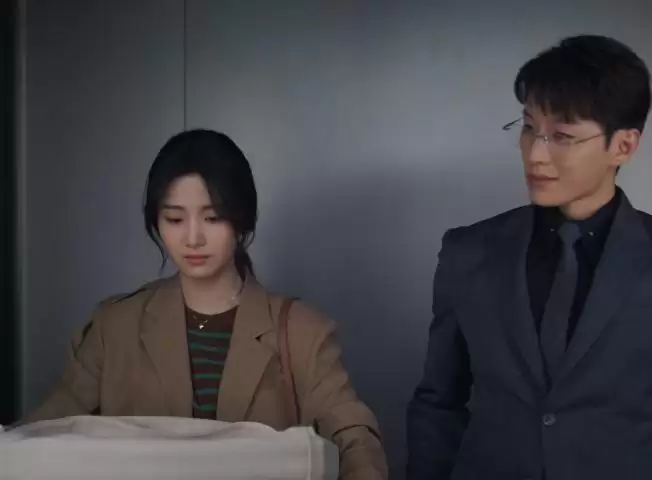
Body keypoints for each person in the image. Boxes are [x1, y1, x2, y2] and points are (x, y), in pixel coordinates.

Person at [24, 129, 388, 479]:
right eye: (175, 219)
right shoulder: (114, 327)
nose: (193, 238)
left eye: (213, 218)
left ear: (242, 220)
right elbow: (39, 438)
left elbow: (355, 438)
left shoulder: (303, 334)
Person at [407, 35, 652, 480]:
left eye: (562, 136)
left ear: (623, 146)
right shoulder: (469, 251)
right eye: (528, 128)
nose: (536, 154)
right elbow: (438, 402)